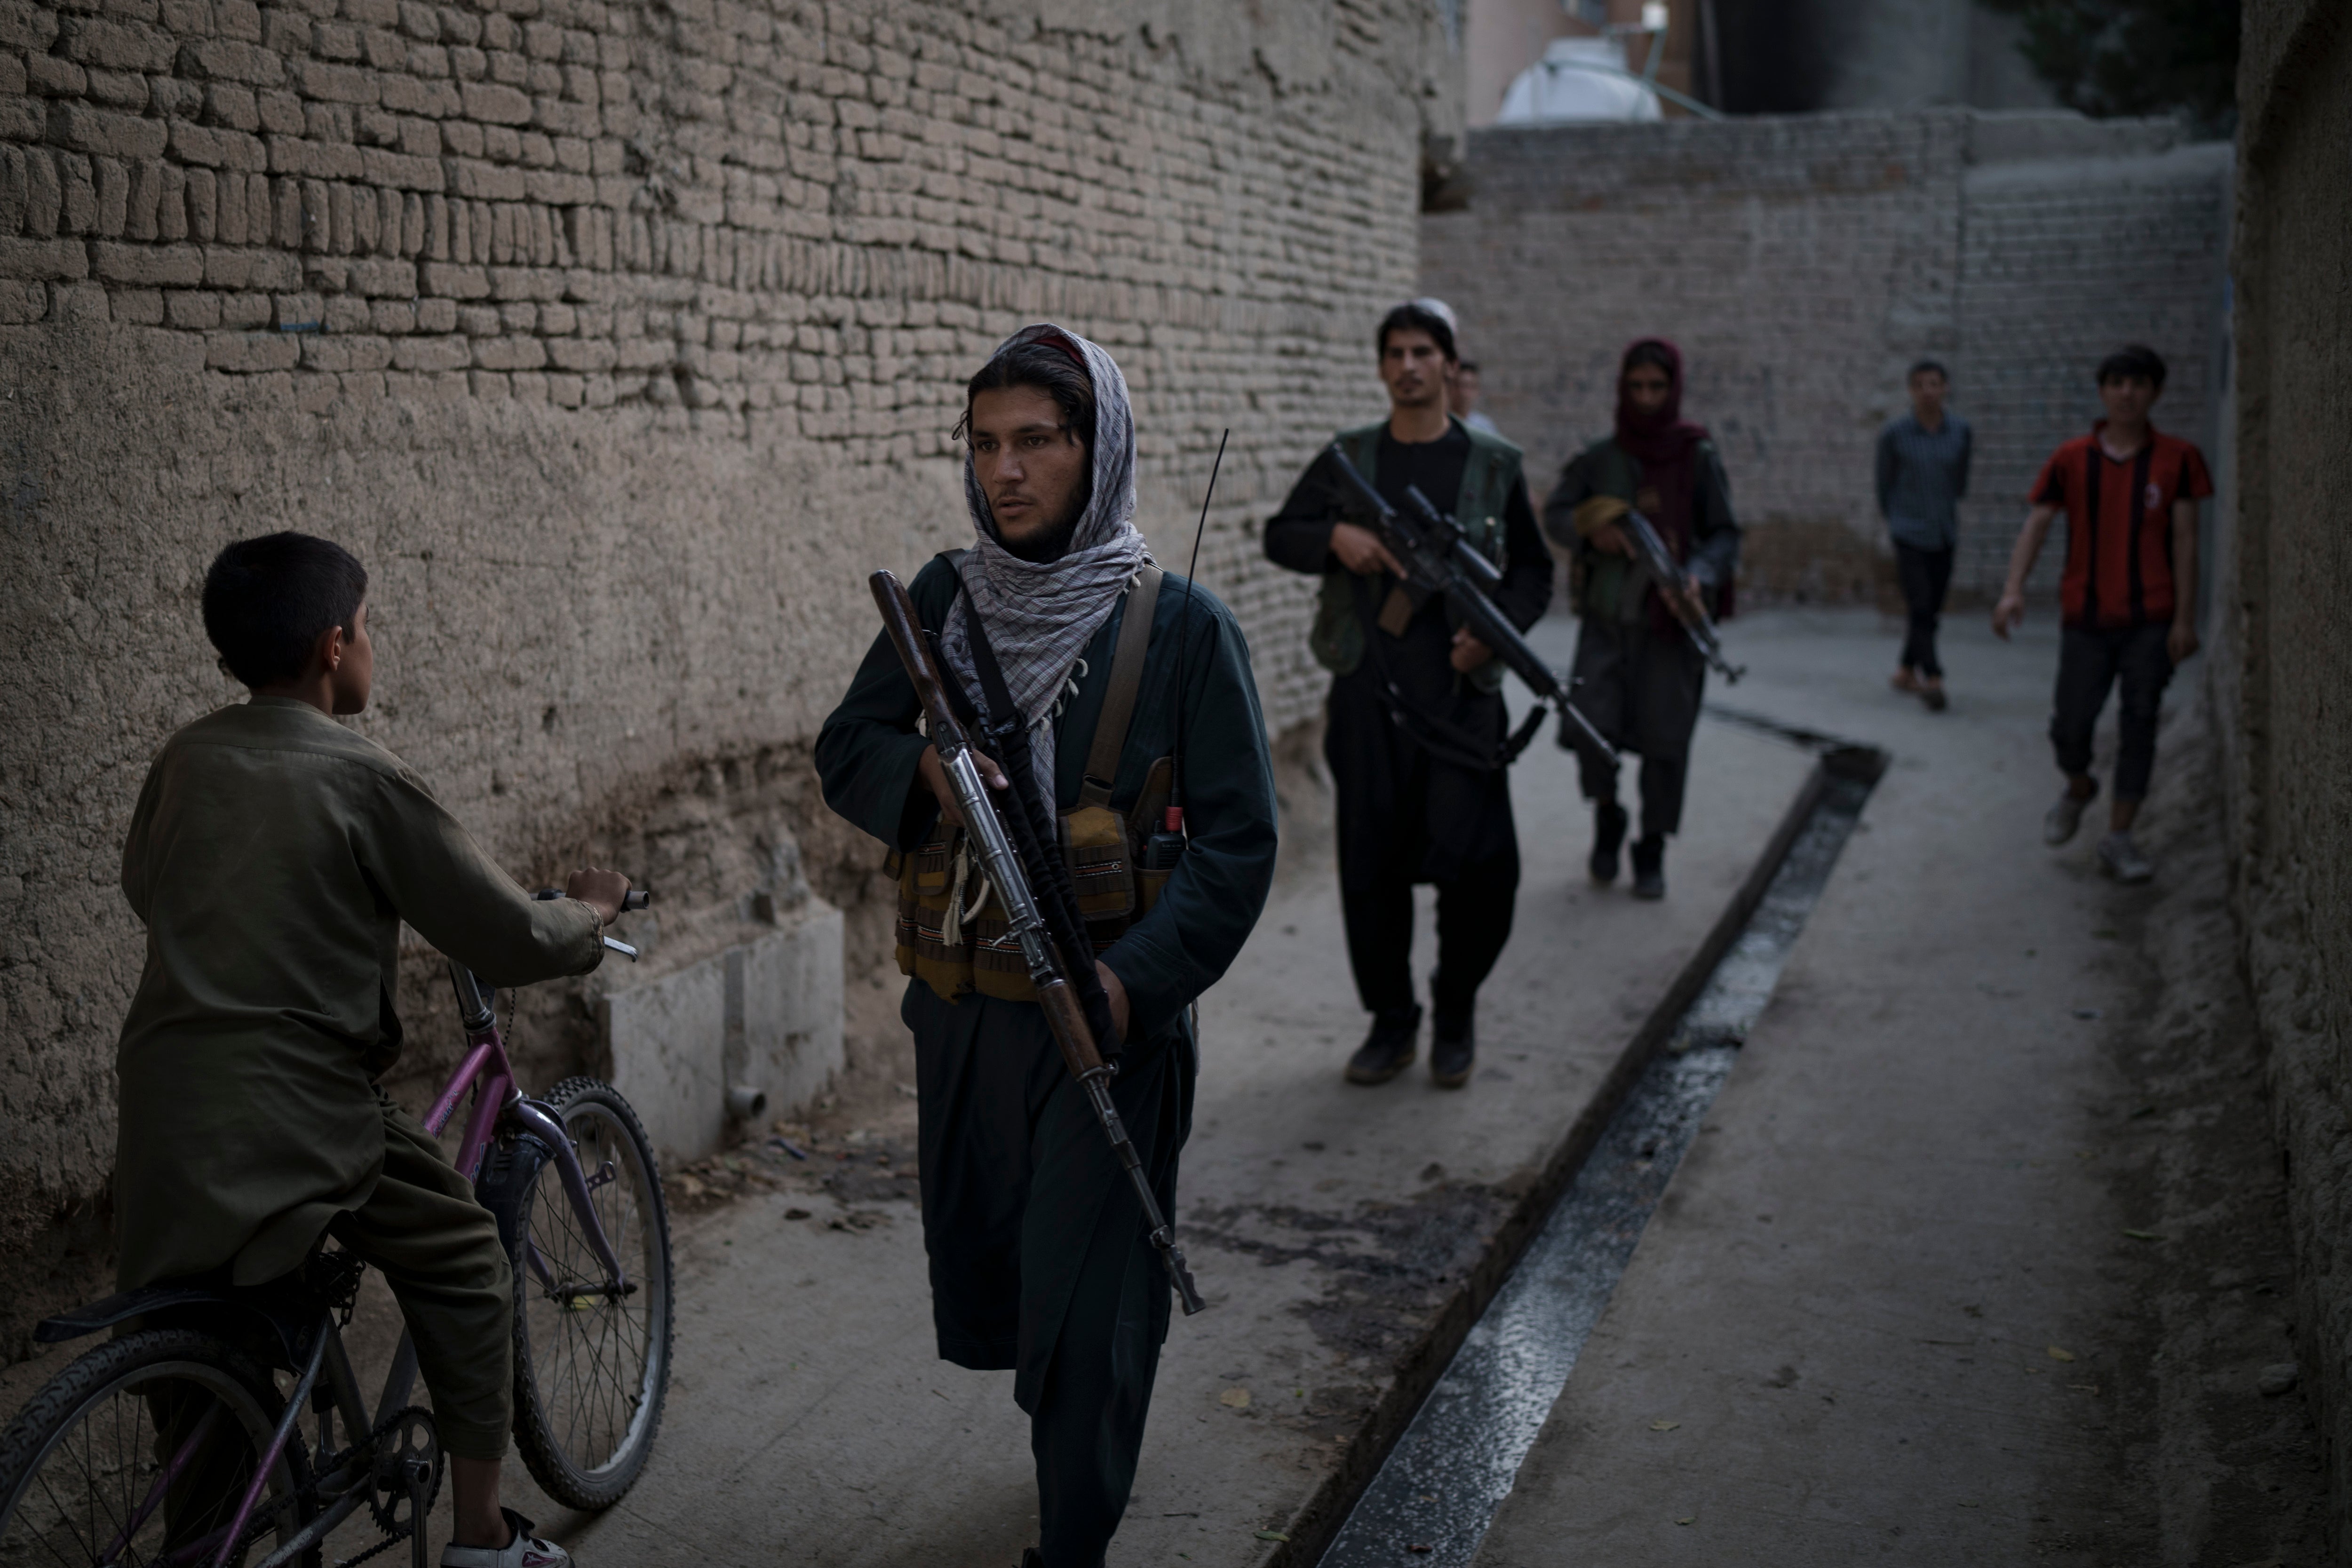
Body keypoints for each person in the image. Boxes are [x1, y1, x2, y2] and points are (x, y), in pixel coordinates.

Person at [815, 324, 1277, 1568]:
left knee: (1091, 1302)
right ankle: (1071, 1446)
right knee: (1012, 1275)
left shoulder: (1182, 628)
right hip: (963, 1024)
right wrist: (925, 769)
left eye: (1037, 440)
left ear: (1100, 447)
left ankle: (1071, 1538)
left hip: (1108, 1022)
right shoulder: (942, 599)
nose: (1005, 470)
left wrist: (1133, 988)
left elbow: (1239, 846)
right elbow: (845, 742)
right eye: (984, 444)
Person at [116, 532, 625, 1568]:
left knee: (198, 1342)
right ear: (335, 644)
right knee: (470, 1257)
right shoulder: (361, 773)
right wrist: (586, 913)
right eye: (371, 628)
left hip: (165, 1104)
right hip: (300, 1104)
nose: (372, 647)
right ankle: (482, 1537)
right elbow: (505, 933)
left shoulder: (186, 757)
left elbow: (145, 886)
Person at [1263, 298, 1550, 1090]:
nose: (1410, 365)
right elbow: (1278, 533)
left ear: (1451, 365)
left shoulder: (1492, 465)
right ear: (1382, 366)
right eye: (1395, 352)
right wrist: (1335, 537)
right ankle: (1393, 1021)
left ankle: (1454, 1007)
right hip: (1368, 700)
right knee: (1371, 869)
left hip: (1463, 704)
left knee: (1485, 871)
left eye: (1425, 351)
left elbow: (1534, 572)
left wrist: (1494, 633)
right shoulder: (1350, 457)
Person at [1993, 344, 2209, 884]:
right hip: (2086, 618)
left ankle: (2118, 837)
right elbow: (2037, 523)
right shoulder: (2071, 459)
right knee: (2070, 724)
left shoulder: (2178, 459)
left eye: (2138, 384)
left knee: (2139, 721)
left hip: (2150, 618)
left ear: (2154, 393)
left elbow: (2185, 542)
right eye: (2116, 383)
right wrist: (2012, 590)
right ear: (2102, 391)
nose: (2127, 393)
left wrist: (2185, 619)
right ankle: (2078, 786)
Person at [1542, 338, 1740, 900]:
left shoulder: (1695, 456)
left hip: (1669, 629)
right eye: (1637, 388)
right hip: (1606, 622)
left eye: (1657, 388)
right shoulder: (1600, 460)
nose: (1647, 400)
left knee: (1664, 745)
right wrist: (1592, 532)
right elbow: (1558, 514)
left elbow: (1724, 533)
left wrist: (1698, 574)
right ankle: (1607, 819)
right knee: (1589, 730)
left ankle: (1650, 848)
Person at [1876, 358, 1973, 710]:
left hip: (1944, 530)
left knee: (1930, 608)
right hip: (1909, 531)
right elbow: (1883, 485)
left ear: (1945, 388)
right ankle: (1934, 677)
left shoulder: (1960, 431)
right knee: (1920, 604)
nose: (1928, 391)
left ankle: (1905, 669)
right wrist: (1899, 520)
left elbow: (1960, 482)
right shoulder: (1895, 434)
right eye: (1920, 385)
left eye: (1935, 384)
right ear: (1911, 391)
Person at [1452, 359, 1502, 438]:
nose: (1464, 393)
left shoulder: (1485, 427)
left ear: (1478, 390)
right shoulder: (1440, 424)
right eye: (1460, 385)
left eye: (1470, 386)